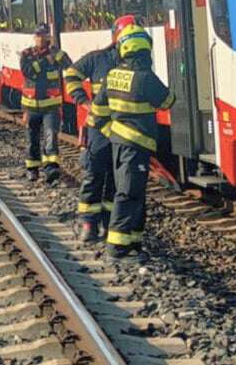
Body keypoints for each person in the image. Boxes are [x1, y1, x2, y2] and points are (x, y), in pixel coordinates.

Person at [91, 23, 174, 260]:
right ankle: (117, 249)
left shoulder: (112, 75)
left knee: (133, 193)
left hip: (118, 144)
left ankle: (134, 244)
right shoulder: (145, 78)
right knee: (128, 194)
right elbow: (167, 101)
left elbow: (97, 112)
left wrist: (113, 132)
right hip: (137, 145)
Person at [64, 14, 133, 242]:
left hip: (122, 132)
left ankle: (108, 224)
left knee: (116, 181)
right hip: (99, 131)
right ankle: (88, 225)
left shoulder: (136, 62)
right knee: (93, 177)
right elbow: (71, 74)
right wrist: (83, 100)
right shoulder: (97, 59)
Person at [19, 23, 72, 184]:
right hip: (31, 107)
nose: (40, 38)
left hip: (51, 107)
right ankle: (32, 170)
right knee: (32, 140)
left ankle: (51, 170)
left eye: (43, 35)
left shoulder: (55, 53)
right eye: (38, 35)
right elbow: (27, 71)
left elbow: (69, 65)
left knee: (51, 138)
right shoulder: (27, 54)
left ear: (48, 36)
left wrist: (59, 54)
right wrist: (44, 61)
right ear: (34, 37)